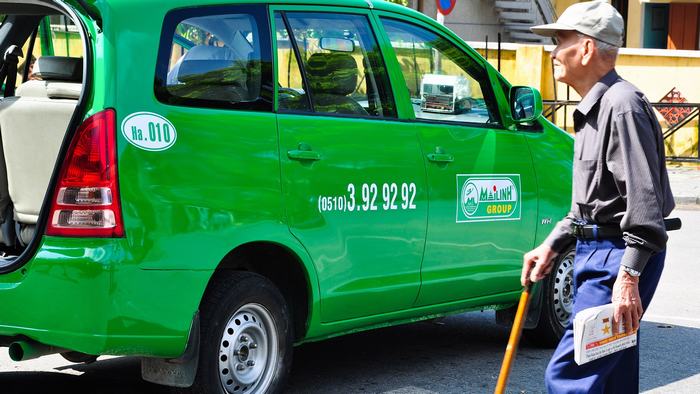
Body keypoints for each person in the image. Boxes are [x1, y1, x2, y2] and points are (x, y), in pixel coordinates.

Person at [521, 1, 675, 393]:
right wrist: (552, 244)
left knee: (571, 375)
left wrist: (628, 278)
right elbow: (588, 205)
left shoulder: (621, 106)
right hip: (598, 252)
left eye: (561, 42)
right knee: (611, 377)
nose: (553, 52)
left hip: (617, 258)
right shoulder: (594, 108)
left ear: (587, 48)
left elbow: (644, 206)